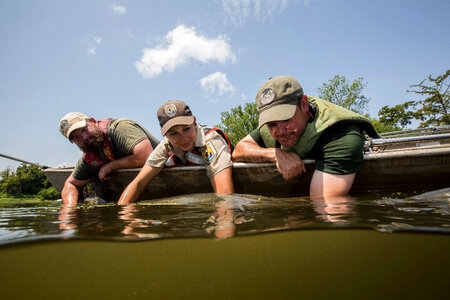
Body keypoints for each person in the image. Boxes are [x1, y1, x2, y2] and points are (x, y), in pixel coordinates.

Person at [232, 76, 380, 198]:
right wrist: (275, 154)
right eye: (272, 124)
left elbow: (326, 207)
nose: (281, 131)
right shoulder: (269, 128)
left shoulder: (342, 134)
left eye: (286, 119)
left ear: (304, 105)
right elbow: (239, 151)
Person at [118, 100, 234, 204]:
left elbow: (225, 198)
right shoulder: (166, 145)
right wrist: (124, 218)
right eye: (173, 133)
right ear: (165, 134)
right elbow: (138, 183)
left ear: (194, 122)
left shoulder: (212, 141)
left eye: (186, 129)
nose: (183, 137)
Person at [59, 112, 160, 205]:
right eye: (77, 137)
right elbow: (71, 184)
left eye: (84, 129)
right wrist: (69, 211)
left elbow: (146, 156)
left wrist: (112, 166)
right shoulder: (90, 155)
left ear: (93, 122)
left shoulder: (120, 128)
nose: (84, 137)